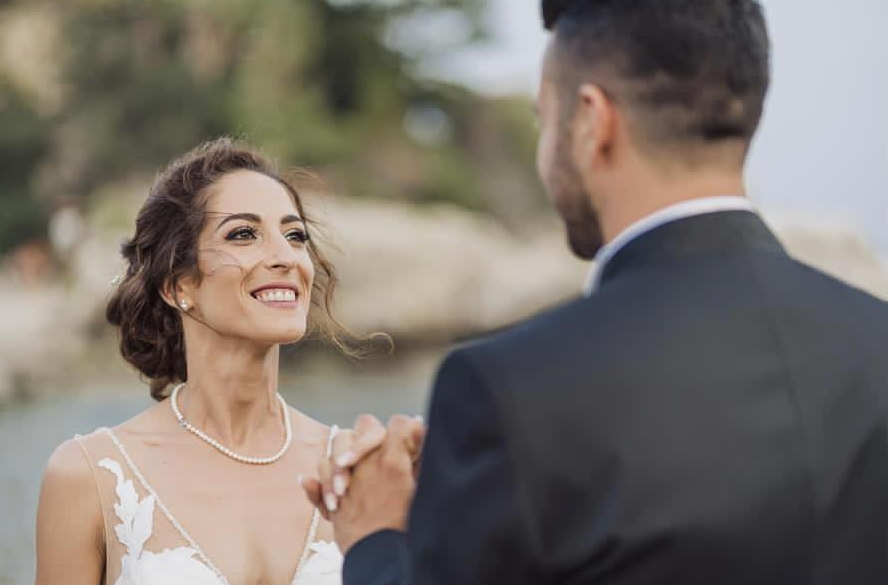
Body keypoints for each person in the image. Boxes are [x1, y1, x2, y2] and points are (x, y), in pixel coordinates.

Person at [304, 1, 888, 584]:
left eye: (543, 119)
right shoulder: (873, 339)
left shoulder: (510, 390)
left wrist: (377, 535)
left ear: (591, 122)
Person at [35, 138, 361, 585]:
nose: (286, 257)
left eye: (295, 235)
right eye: (244, 234)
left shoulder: (355, 470)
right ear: (178, 286)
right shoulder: (88, 477)